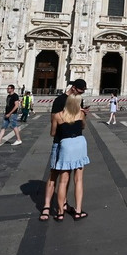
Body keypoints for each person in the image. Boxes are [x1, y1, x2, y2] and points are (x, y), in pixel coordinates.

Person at [41, 94, 90, 222]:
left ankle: (60, 212)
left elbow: (52, 133)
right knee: (78, 179)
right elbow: (83, 126)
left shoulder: (59, 116)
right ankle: (78, 211)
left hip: (65, 145)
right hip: (80, 144)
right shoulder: (81, 114)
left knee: (62, 180)